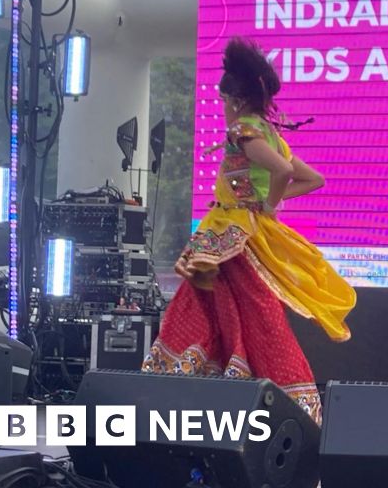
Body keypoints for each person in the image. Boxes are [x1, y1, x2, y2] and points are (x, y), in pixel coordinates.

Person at [142, 37, 356, 425]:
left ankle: (182, 391)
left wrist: (267, 204)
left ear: (237, 101)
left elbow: (286, 173)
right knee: (243, 313)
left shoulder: (243, 130)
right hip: (239, 237)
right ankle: (269, 402)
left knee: (232, 314)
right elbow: (313, 179)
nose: (223, 109)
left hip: (233, 239)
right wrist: (265, 204)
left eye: (223, 102)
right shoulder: (271, 133)